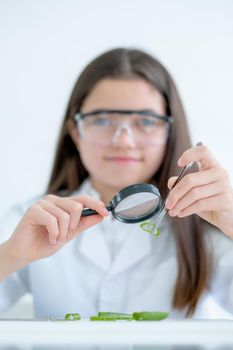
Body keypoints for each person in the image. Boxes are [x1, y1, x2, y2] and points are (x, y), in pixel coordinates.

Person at [0, 48, 233, 319]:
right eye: (103, 120)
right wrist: (11, 255)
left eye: (146, 121)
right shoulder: (30, 221)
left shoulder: (204, 230)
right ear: (75, 132)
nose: (123, 141)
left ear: (170, 132)